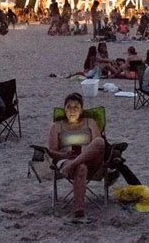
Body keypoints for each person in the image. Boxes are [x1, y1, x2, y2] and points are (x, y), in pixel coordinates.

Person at [48, 93, 105, 222]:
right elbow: (51, 151)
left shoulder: (90, 122)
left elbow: (98, 143)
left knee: (100, 142)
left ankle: (73, 165)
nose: (72, 110)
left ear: (82, 109)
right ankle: (79, 211)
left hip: (89, 160)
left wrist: (82, 155)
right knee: (81, 167)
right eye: (69, 107)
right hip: (66, 159)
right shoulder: (56, 126)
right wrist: (64, 155)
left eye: (76, 107)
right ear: (64, 109)